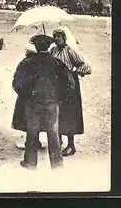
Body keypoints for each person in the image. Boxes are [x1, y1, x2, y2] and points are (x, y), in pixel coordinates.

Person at [12, 34, 74, 170]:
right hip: (52, 102)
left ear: (35, 46)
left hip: (32, 103)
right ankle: (57, 164)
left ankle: (30, 163)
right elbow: (70, 84)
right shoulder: (57, 63)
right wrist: (58, 96)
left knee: (32, 132)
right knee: (53, 133)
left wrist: (27, 96)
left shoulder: (26, 63)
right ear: (49, 46)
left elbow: (16, 83)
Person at [51, 27, 92, 157]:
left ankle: (71, 145)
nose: (57, 39)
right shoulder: (53, 50)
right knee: (57, 112)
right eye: (55, 37)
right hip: (57, 85)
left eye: (60, 36)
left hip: (70, 86)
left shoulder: (70, 51)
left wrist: (73, 71)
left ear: (64, 38)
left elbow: (85, 66)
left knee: (69, 114)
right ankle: (59, 140)